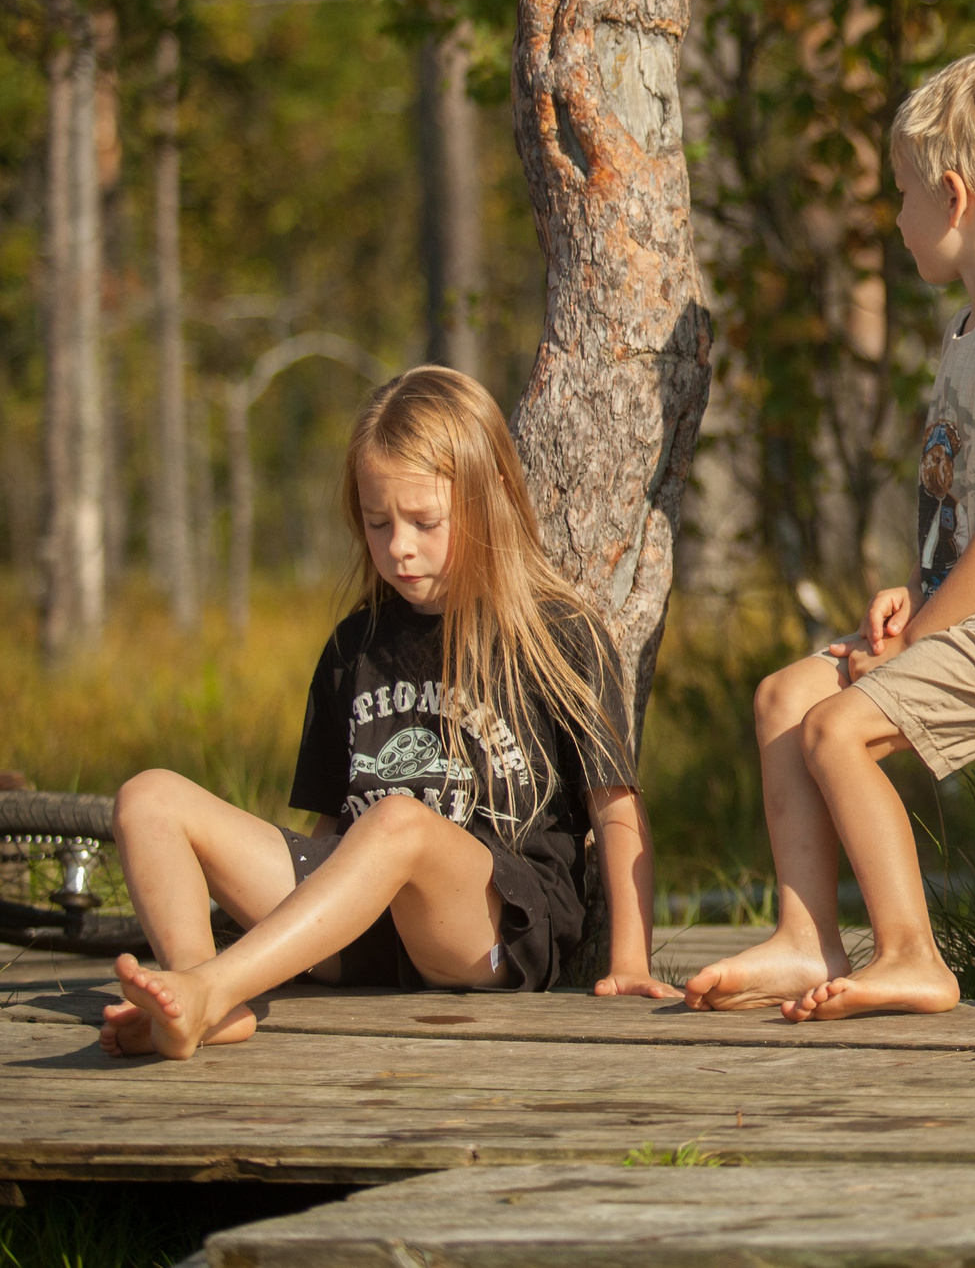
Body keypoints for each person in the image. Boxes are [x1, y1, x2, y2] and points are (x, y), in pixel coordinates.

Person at [683, 51, 975, 1020]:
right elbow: (974, 509)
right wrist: (915, 587)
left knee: (840, 728)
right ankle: (809, 939)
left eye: (900, 194)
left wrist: (927, 628)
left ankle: (911, 955)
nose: (894, 218)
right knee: (783, 699)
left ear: (954, 195)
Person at [102, 367, 668, 1059]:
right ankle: (200, 994)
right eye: (378, 522)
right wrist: (299, 928)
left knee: (397, 823)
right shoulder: (353, 645)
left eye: (425, 522)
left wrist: (630, 963)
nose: (399, 545)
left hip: (489, 926)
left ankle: (211, 986)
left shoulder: (559, 634)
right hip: (366, 925)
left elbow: (616, 810)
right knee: (148, 796)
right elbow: (328, 829)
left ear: (488, 504)